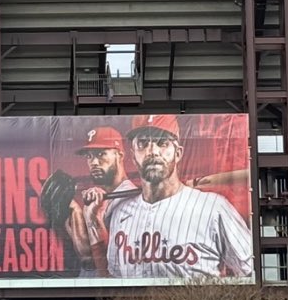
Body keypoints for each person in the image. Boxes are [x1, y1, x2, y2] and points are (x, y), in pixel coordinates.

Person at [90, 114, 253, 280]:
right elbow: (114, 279)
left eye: (162, 143)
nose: (152, 151)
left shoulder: (214, 208)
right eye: (143, 143)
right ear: (132, 156)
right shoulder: (120, 212)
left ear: (178, 153)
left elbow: (250, 272)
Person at [64, 126, 137, 272]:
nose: (94, 162)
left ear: (120, 155)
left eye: (101, 154)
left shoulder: (132, 199)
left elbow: (106, 260)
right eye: (89, 156)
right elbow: (86, 256)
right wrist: (75, 212)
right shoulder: (100, 198)